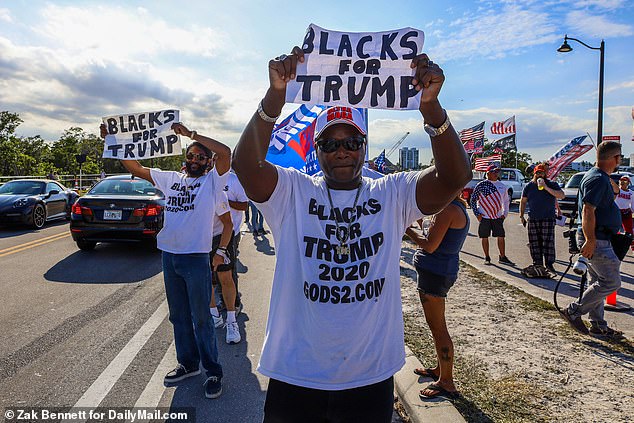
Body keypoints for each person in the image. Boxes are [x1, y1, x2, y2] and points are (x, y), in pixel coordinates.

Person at [232, 47, 471, 422]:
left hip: (368, 376)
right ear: (317, 150)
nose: (341, 151)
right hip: (296, 373)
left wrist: (430, 107)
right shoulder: (294, 192)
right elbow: (246, 165)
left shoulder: (391, 193)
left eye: (351, 142)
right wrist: (274, 96)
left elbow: (455, 178)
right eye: (330, 143)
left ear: (364, 147)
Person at [100, 122, 230, 399]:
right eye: (191, 155)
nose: (194, 160)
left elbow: (227, 151)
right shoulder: (171, 178)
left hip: (195, 258)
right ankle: (189, 364)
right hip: (170, 257)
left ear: (208, 162)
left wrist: (191, 135)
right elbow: (136, 169)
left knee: (202, 319)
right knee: (179, 316)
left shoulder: (212, 183)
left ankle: (213, 371)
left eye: (200, 157)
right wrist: (114, 141)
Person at [405, 195, 469, 399]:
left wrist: (406, 229)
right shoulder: (449, 207)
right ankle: (439, 370)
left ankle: (447, 382)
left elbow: (430, 245)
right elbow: (433, 234)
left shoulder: (448, 210)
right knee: (436, 326)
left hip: (436, 274)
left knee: (438, 327)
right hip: (436, 272)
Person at [561, 141, 624, 338]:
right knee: (611, 282)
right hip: (597, 238)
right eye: (620, 157)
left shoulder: (600, 177)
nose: (620, 160)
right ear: (615, 158)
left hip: (599, 236)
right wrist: (590, 239)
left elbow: (611, 195)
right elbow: (589, 209)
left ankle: (598, 324)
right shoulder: (597, 178)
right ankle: (574, 311)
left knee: (597, 280)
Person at [519, 164, 565, 273]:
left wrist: (546, 187)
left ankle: (549, 264)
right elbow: (523, 201)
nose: (539, 175)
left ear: (545, 173)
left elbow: (561, 195)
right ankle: (537, 264)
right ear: (534, 174)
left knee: (548, 242)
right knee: (534, 242)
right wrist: (521, 215)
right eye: (537, 173)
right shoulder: (529, 186)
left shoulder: (552, 184)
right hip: (533, 217)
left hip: (548, 218)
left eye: (541, 173)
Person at [470, 163, 514, 265]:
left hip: (497, 216)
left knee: (501, 236)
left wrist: (505, 213)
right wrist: (477, 214)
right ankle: (487, 257)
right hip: (484, 216)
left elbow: (506, 201)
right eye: (494, 171)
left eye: (497, 172)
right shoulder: (481, 185)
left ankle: (502, 257)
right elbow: (473, 200)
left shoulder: (503, 186)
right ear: (488, 173)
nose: (496, 174)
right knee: (484, 237)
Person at [615, 175, 634, 243]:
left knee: (629, 231)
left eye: (624, 180)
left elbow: (632, 205)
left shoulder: (631, 193)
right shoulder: (616, 190)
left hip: (626, 212)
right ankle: (615, 245)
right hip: (616, 212)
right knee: (614, 229)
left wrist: (632, 212)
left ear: (628, 183)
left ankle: (632, 247)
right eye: (621, 180)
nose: (622, 182)